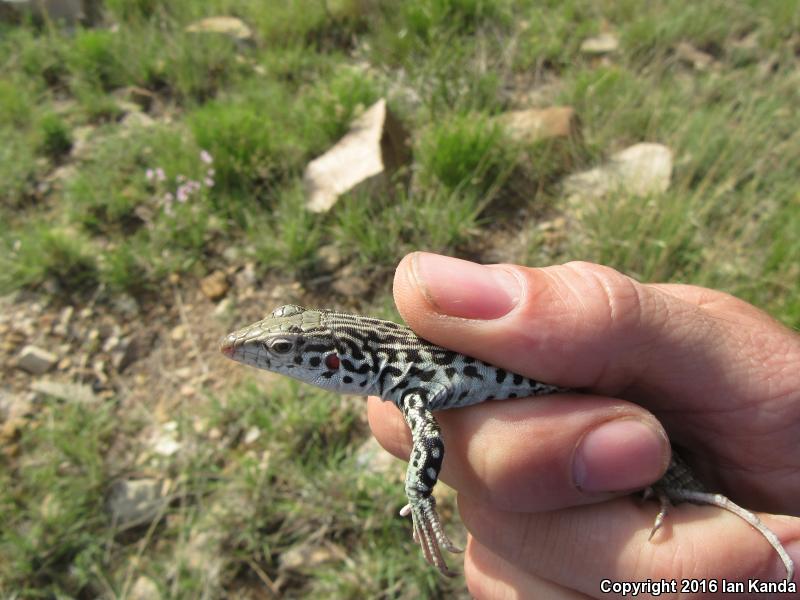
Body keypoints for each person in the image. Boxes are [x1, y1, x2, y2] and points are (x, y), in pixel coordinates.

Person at [367, 252, 800, 598]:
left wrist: (420, 492)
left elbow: (428, 433)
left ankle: (683, 495)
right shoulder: (407, 382)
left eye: (293, 351)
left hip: (602, 401)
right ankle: (679, 495)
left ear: (333, 360)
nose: (293, 364)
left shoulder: (409, 383)